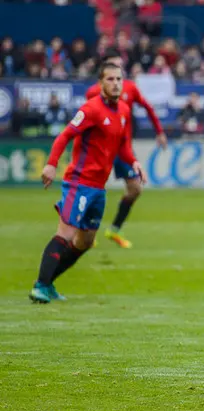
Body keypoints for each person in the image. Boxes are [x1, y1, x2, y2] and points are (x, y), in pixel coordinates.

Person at [29, 62, 147, 304]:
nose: (116, 83)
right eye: (110, 79)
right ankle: (40, 285)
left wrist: (134, 161)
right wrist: (51, 164)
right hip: (79, 183)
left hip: (98, 189)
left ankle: (48, 284)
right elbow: (65, 136)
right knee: (66, 233)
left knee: (85, 241)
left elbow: (123, 146)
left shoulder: (124, 110)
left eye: (119, 79)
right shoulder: (91, 109)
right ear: (100, 83)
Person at [85, 50, 167, 249]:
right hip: (101, 149)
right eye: (114, 66)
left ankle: (115, 229)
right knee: (93, 190)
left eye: (120, 66)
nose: (118, 72)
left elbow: (148, 107)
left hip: (122, 149)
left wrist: (159, 132)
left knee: (135, 189)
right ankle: (86, 229)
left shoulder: (130, 88)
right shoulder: (93, 93)